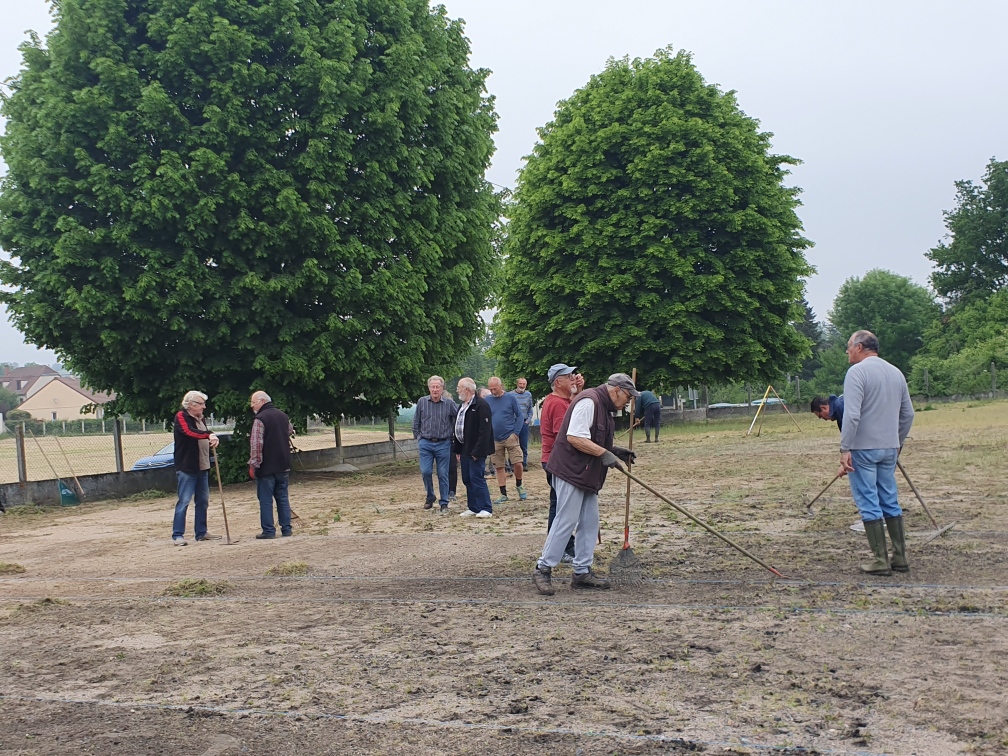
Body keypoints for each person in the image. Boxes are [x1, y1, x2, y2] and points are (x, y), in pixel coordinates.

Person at [533, 373, 638, 594]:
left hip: (587, 473)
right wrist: (604, 454)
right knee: (566, 520)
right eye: (628, 396)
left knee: (590, 521)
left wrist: (616, 451)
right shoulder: (589, 401)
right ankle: (542, 569)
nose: (629, 401)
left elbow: (594, 438)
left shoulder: (606, 407)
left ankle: (581, 571)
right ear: (616, 390)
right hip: (570, 470)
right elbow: (575, 437)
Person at [838, 330, 915, 576]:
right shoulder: (896, 372)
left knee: (868, 501)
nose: (847, 351)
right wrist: (898, 441)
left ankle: (880, 560)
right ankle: (900, 557)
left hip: (863, 448)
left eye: (849, 346)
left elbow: (851, 415)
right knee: (889, 499)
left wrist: (845, 448)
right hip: (889, 447)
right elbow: (908, 414)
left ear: (860, 347)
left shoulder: (856, 372)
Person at [540, 364, 585, 563]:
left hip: (556, 460)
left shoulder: (562, 400)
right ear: (558, 382)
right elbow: (566, 435)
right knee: (560, 507)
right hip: (557, 461)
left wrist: (579, 392)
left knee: (559, 505)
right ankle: (562, 547)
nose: (573, 379)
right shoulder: (557, 404)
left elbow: (576, 411)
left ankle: (563, 545)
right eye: (569, 377)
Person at [171, 390, 220, 546]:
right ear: (191, 405)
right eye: (201, 404)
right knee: (184, 501)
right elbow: (189, 432)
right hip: (187, 466)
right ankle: (177, 535)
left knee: (203, 501)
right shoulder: (181, 417)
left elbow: (202, 434)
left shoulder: (200, 418)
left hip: (202, 465)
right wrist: (209, 435)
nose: (204, 407)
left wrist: (210, 438)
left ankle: (201, 532)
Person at [248, 390, 295, 539]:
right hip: (283, 463)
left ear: (262, 401)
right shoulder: (283, 416)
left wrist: (254, 465)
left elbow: (256, 445)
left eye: (253, 402)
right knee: (282, 497)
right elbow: (290, 431)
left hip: (267, 466)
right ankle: (286, 529)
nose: (251, 405)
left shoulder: (260, 419)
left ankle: (268, 531)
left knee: (266, 499)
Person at [412, 376, 459, 513]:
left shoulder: (449, 403)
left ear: (442, 388)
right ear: (429, 388)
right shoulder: (422, 402)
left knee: (442, 473)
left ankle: (444, 502)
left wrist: (455, 437)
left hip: (443, 443)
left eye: (438, 387)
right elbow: (416, 422)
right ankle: (430, 496)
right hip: (425, 442)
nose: (435, 389)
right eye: (432, 387)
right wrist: (418, 438)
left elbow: (458, 419)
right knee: (426, 471)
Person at [453, 377, 495, 517]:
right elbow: (459, 427)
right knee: (467, 478)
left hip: (476, 450)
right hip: (464, 448)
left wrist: (478, 451)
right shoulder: (462, 406)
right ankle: (473, 507)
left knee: (476, 477)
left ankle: (486, 507)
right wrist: (457, 449)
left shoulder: (481, 405)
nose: (457, 390)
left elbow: (485, 431)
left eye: (459, 387)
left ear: (467, 389)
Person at [485, 377, 527, 504]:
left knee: (518, 462)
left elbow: (519, 415)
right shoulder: (487, 400)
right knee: (499, 466)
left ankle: (519, 484)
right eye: (490, 389)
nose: (493, 391)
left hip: (510, 436)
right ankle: (503, 493)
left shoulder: (510, 398)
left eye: (495, 388)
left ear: (501, 386)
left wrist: (516, 432)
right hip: (494, 438)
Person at [510, 377, 535, 468]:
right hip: (514, 422)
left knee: (523, 444)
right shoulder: (511, 395)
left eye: (524, 384)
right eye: (520, 383)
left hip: (524, 422)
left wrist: (528, 421)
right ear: (517, 384)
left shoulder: (528, 394)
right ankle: (512, 464)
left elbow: (530, 409)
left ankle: (524, 463)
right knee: (512, 444)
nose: (522, 386)